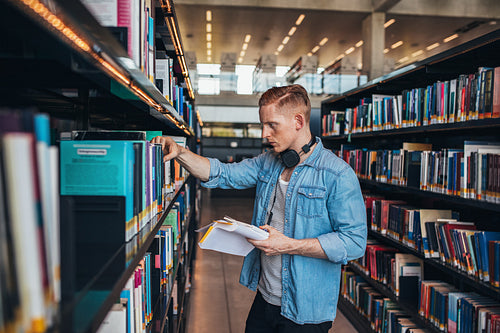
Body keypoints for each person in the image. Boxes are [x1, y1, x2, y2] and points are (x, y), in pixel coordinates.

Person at [152, 84, 367, 333]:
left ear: (298, 121)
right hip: (265, 297)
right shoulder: (270, 162)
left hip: (305, 311)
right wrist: (180, 153)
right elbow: (223, 173)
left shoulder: (337, 174)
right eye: (262, 124)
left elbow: (353, 242)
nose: (265, 133)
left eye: (272, 125)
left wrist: (288, 245)